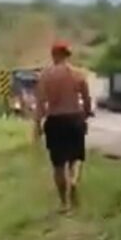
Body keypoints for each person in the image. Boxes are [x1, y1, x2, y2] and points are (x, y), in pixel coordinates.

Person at [34, 41, 92, 212]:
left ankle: (64, 203)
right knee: (76, 158)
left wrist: (37, 124)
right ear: (68, 55)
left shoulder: (45, 76)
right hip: (74, 118)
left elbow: (40, 103)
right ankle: (73, 181)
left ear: (54, 55)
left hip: (55, 120)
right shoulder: (78, 74)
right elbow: (87, 100)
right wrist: (86, 115)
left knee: (58, 164)